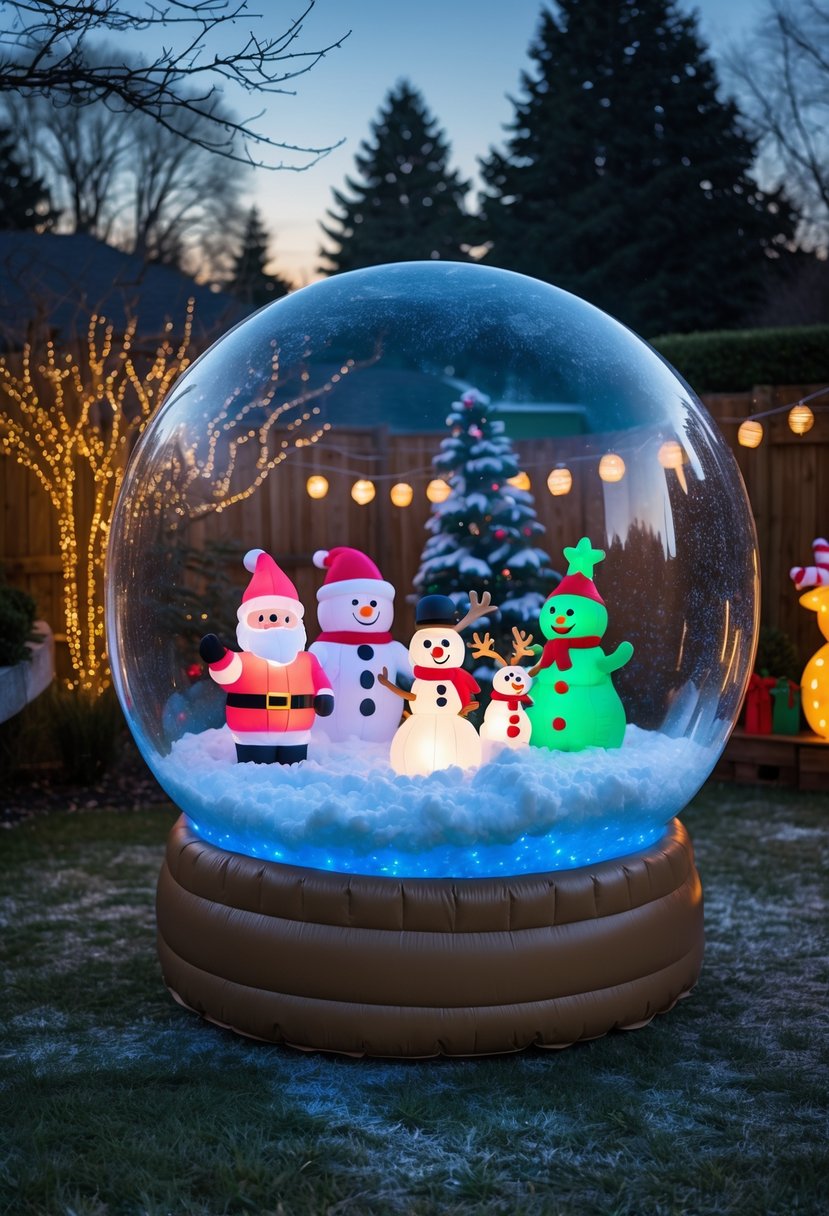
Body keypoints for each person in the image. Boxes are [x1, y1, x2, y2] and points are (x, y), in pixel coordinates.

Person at [199, 548, 333, 764]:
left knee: (295, 768)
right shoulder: (244, 661)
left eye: (283, 617)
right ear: (246, 622)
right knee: (256, 769)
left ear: (297, 622)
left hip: (296, 733)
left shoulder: (307, 660)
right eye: (262, 617)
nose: (274, 622)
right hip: (252, 734)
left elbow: (321, 681)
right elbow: (228, 674)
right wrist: (217, 657)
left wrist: (325, 695)